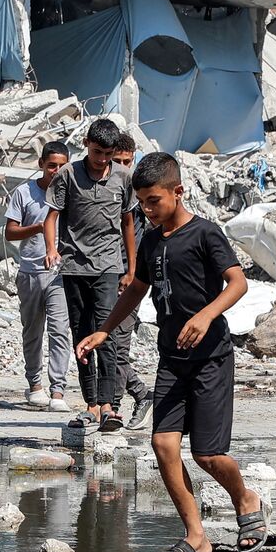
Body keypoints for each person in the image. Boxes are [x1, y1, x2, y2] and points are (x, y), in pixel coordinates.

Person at [76, 152, 267, 552]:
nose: (146, 209)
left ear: (177, 192)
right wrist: (105, 328)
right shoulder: (149, 239)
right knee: (163, 444)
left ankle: (245, 497)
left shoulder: (204, 234)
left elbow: (238, 283)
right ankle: (196, 535)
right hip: (171, 359)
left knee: (207, 455)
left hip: (211, 357)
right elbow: (136, 289)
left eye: (153, 201)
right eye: (141, 202)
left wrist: (206, 314)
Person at [44, 118, 137, 432]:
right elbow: (52, 216)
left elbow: (127, 224)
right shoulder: (68, 175)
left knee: (106, 332)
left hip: (109, 267)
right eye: (97, 152)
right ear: (86, 144)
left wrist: (132, 268)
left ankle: (110, 405)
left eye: (107, 154)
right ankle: (91, 404)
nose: (102, 160)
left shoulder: (123, 177)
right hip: (74, 267)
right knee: (81, 334)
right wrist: (52, 249)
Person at [4, 141, 72, 412]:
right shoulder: (24, 193)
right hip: (30, 272)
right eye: (52, 165)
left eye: (62, 166)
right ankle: (35, 385)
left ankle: (58, 390)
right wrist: (38, 228)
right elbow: (10, 232)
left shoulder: (71, 193)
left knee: (59, 331)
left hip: (59, 273)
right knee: (33, 331)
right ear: (41, 164)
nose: (56, 171)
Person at [110, 132, 153, 430]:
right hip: (102, 277)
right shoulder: (103, 192)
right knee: (100, 342)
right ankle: (138, 393)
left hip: (130, 282)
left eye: (128, 162)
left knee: (117, 345)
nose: (123, 168)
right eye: (117, 162)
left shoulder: (141, 199)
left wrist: (135, 275)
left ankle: (112, 409)